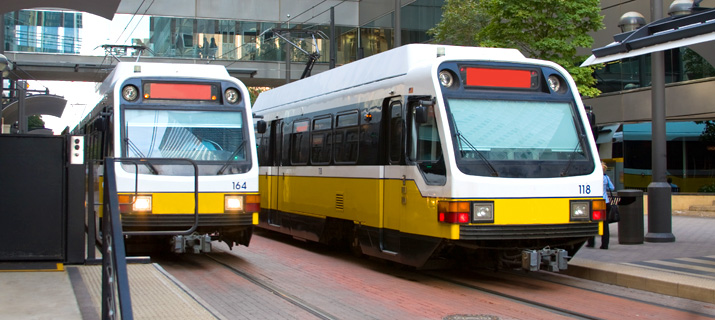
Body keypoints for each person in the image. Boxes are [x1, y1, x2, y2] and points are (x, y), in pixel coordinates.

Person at [586, 161, 615, 249]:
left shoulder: (592, 178)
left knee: (591, 222)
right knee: (605, 224)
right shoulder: (605, 178)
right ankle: (605, 244)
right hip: (605, 202)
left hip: (594, 202)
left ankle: (591, 243)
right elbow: (612, 188)